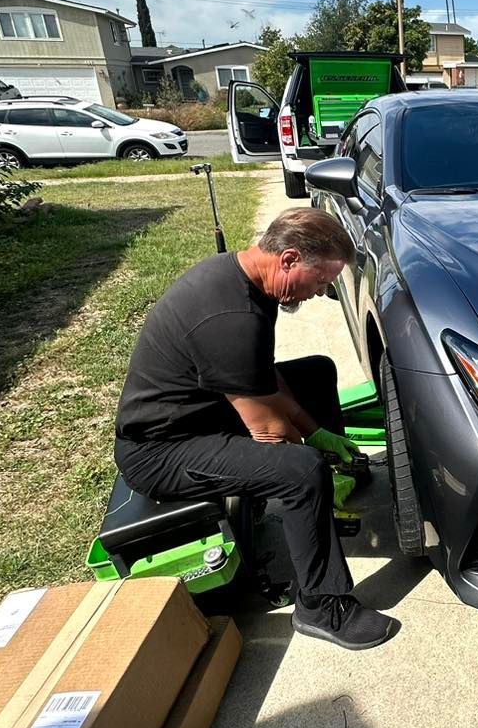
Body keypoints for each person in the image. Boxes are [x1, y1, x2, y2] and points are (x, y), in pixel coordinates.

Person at [113, 208, 398, 650]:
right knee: (300, 472)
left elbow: (261, 374)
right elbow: (268, 432)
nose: (322, 292)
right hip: (162, 450)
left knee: (315, 373)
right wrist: (315, 466)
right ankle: (322, 606)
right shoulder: (230, 319)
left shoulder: (244, 278)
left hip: (199, 411)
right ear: (288, 259)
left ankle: (330, 492)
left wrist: (317, 430)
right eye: (321, 280)